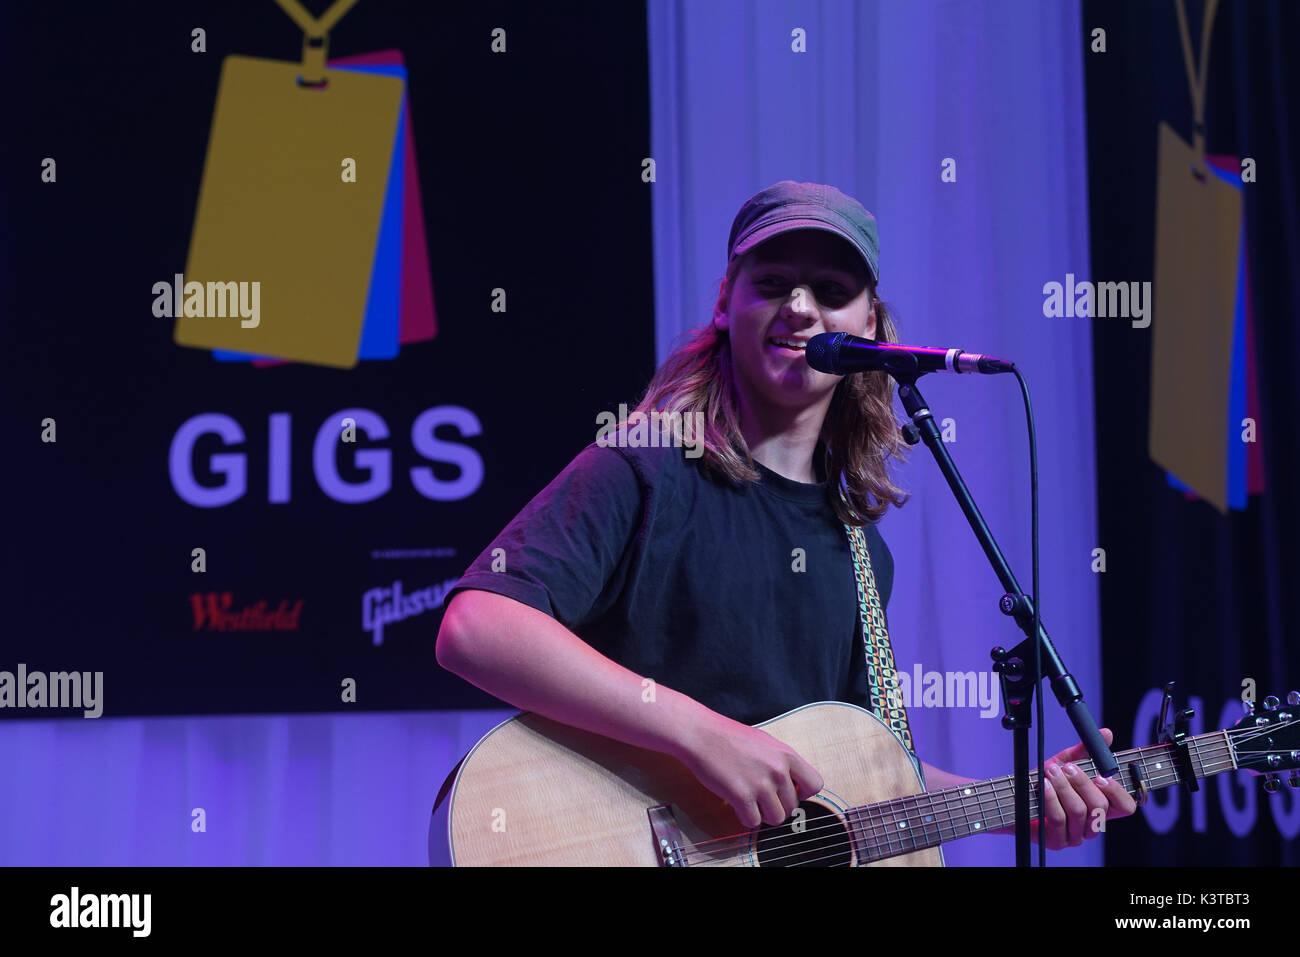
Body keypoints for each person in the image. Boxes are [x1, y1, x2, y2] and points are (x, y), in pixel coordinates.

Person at [436, 180, 1135, 855]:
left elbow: (864, 783)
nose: (801, 307)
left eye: (832, 292)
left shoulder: (860, 550)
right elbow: (476, 627)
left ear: (870, 326)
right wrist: (701, 733)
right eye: (773, 283)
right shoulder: (642, 466)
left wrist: (1016, 808)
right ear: (724, 302)